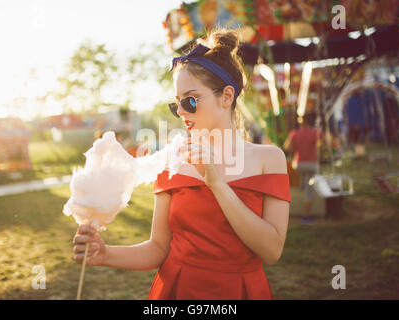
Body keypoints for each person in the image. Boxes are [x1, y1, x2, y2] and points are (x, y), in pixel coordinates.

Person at [72, 29, 291, 300]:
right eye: (176, 105)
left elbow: (271, 251)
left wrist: (216, 183)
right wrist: (105, 254)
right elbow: (158, 248)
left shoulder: (269, 159)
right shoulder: (172, 161)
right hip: (177, 290)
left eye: (190, 100)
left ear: (226, 96)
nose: (182, 113)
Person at [284, 112, 324, 224]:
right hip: (312, 164)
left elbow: (287, 147)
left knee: (302, 186)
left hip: (299, 164)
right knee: (309, 189)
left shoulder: (294, 134)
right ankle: (305, 216)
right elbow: (327, 141)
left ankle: (297, 209)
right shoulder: (316, 133)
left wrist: (296, 149)